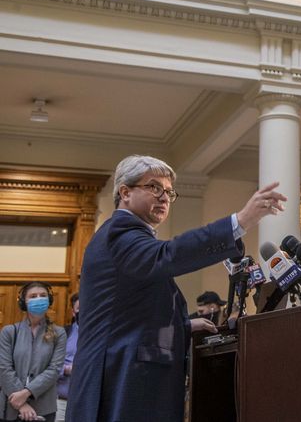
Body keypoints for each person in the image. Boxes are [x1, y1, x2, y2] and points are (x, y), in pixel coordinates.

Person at [66, 155, 286, 422]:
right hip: (121, 375)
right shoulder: (120, 233)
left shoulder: (128, 236)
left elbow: (128, 312)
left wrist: (182, 325)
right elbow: (168, 255)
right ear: (125, 192)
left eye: (169, 192)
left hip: (124, 371)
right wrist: (240, 222)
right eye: (154, 187)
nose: (164, 197)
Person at [0, 281, 67, 422]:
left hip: (43, 408)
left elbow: (54, 370)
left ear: (49, 300)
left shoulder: (59, 333)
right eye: (33, 296)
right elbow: (4, 369)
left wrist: (26, 393)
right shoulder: (9, 332)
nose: (38, 299)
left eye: (43, 295)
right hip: (11, 406)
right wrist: (21, 404)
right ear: (23, 302)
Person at [55, 293, 79, 422]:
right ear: (73, 312)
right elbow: (48, 364)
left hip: (89, 404)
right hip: (62, 402)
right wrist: (66, 370)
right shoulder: (63, 333)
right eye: (80, 308)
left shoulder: (103, 337)